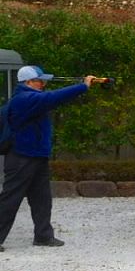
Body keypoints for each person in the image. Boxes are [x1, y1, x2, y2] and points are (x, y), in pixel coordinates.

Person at [0, 65, 107, 250]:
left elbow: (49, 98)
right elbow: (53, 98)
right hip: (21, 158)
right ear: (27, 82)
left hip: (36, 156)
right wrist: (82, 86)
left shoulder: (31, 97)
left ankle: (43, 236)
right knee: (10, 199)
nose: (43, 83)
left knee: (42, 199)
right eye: (39, 80)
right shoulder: (25, 99)